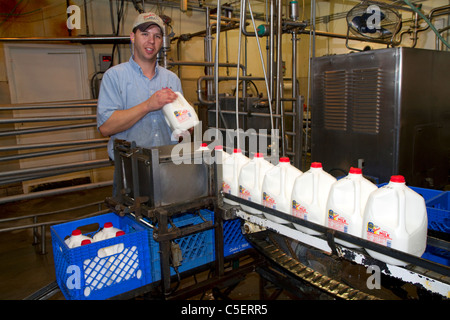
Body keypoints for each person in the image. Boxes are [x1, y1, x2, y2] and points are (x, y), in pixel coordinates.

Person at [97, 11, 182, 161]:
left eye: (157, 36)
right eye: (145, 34)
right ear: (132, 37)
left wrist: (185, 126)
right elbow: (106, 127)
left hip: (167, 164)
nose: (151, 41)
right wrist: (148, 105)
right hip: (130, 167)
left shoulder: (172, 79)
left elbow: (179, 128)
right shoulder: (114, 76)